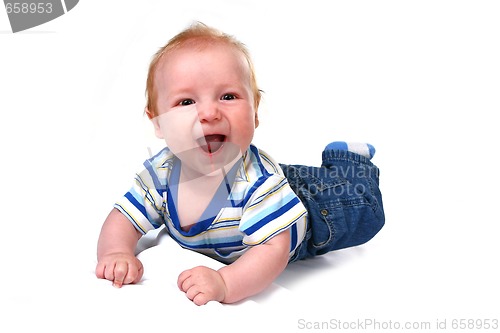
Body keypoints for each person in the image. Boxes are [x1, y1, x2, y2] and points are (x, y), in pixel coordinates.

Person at [95, 22, 385, 305]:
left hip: (315, 207)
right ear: (157, 122)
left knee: (364, 207)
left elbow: (273, 248)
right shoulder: (161, 173)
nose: (209, 112)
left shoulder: (259, 184)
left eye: (228, 96)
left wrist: (225, 283)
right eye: (186, 102)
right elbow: (124, 217)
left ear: (255, 111)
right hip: (274, 186)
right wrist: (115, 252)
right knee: (288, 176)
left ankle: (350, 160)